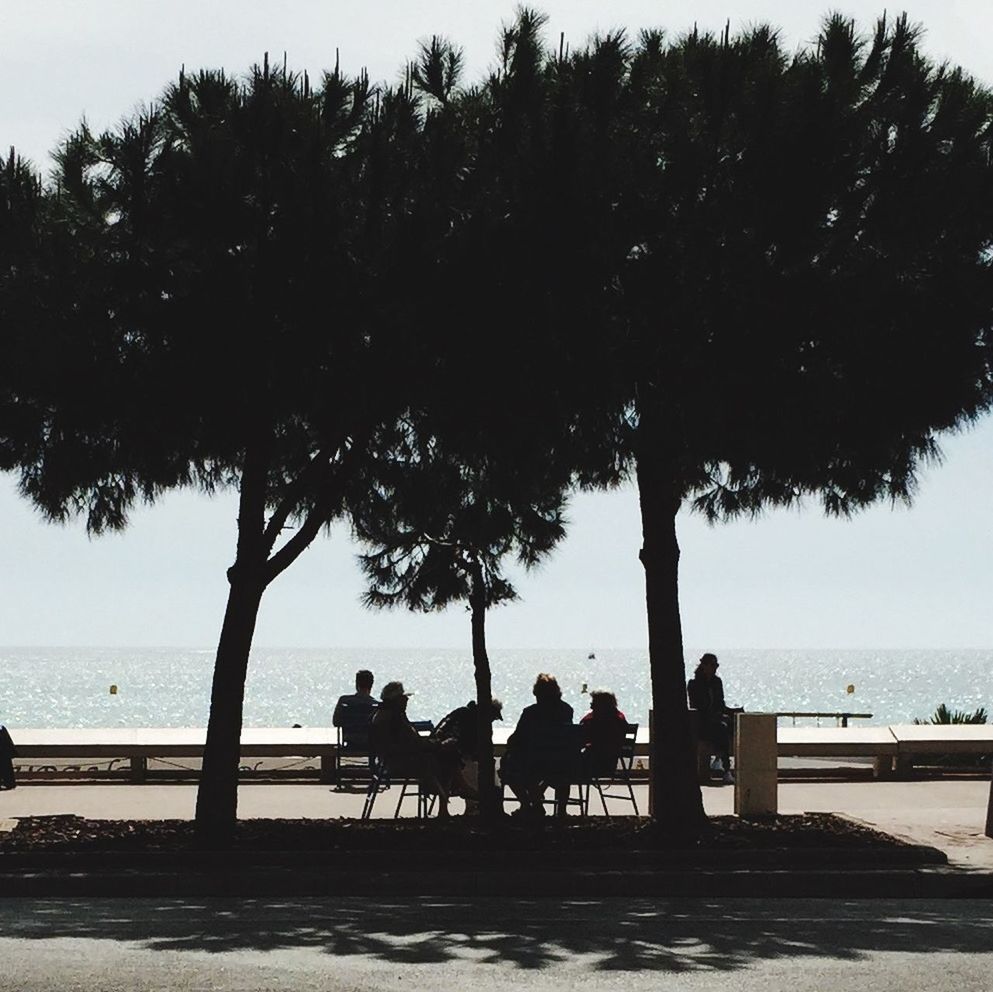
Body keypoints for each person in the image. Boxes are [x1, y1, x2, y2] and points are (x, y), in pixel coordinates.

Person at [369, 681, 470, 817]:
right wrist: (439, 745)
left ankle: (451, 796)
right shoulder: (393, 719)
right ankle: (456, 791)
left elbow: (410, 743)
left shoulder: (384, 715)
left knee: (446, 755)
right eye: (403, 698)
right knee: (446, 756)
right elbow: (412, 744)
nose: (406, 701)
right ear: (396, 700)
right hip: (401, 762)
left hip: (393, 759)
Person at [500, 673, 578, 818]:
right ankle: (560, 810)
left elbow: (517, 738)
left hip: (534, 763)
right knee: (558, 774)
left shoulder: (530, 713)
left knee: (508, 770)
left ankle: (529, 804)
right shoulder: (567, 710)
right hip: (561, 762)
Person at [432, 698, 503, 803]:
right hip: (453, 757)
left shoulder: (465, 714)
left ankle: (476, 801)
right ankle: (476, 801)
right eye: (493, 717)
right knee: (473, 767)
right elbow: (466, 746)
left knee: (479, 765)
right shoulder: (472, 720)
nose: (492, 720)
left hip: (447, 754)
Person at [687, 653, 734, 783]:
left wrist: (730, 713)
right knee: (721, 729)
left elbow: (721, 703)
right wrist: (717, 715)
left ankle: (720, 758)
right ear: (704, 666)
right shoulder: (694, 684)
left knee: (735, 725)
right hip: (703, 722)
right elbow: (698, 707)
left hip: (717, 718)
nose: (715, 668)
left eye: (716, 665)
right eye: (712, 665)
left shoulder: (717, 682)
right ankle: (726, 768)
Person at [579, 690, 628, 780]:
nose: (591, 705)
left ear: (600, 705)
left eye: (593, 702)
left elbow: (581, 736)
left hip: (594, 764)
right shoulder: (618, 718)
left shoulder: (594, 721)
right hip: (610, 764)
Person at [332, 669, 379, 751]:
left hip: (350, 740)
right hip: (369, 744)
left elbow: (336, 722)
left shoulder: (344, 700)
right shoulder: (376, 705)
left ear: (357, 684)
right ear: (371, 685)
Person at [0, 724, 16, 790]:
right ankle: (9, 783)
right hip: (4, 752)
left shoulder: (2, 728)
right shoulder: (2, 728)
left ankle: (9, 783)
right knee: (6, 768)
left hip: (3, 752)